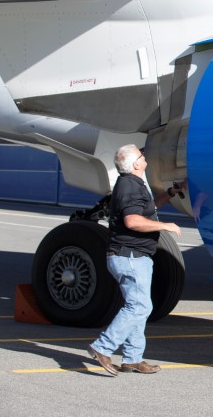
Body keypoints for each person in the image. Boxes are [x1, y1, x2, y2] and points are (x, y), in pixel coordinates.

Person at [87, 144, 183, 376]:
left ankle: (132, 359)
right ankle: (102, 347)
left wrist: (170, 194)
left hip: (135, 255)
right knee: (139, 306)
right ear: (136, 164)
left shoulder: (134, 184)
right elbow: (132, 221)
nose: (144, 155)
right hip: (129, 255)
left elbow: (146, 210)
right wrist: (165, 226)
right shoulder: (129, 185)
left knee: (138, 306)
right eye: (141, 155)